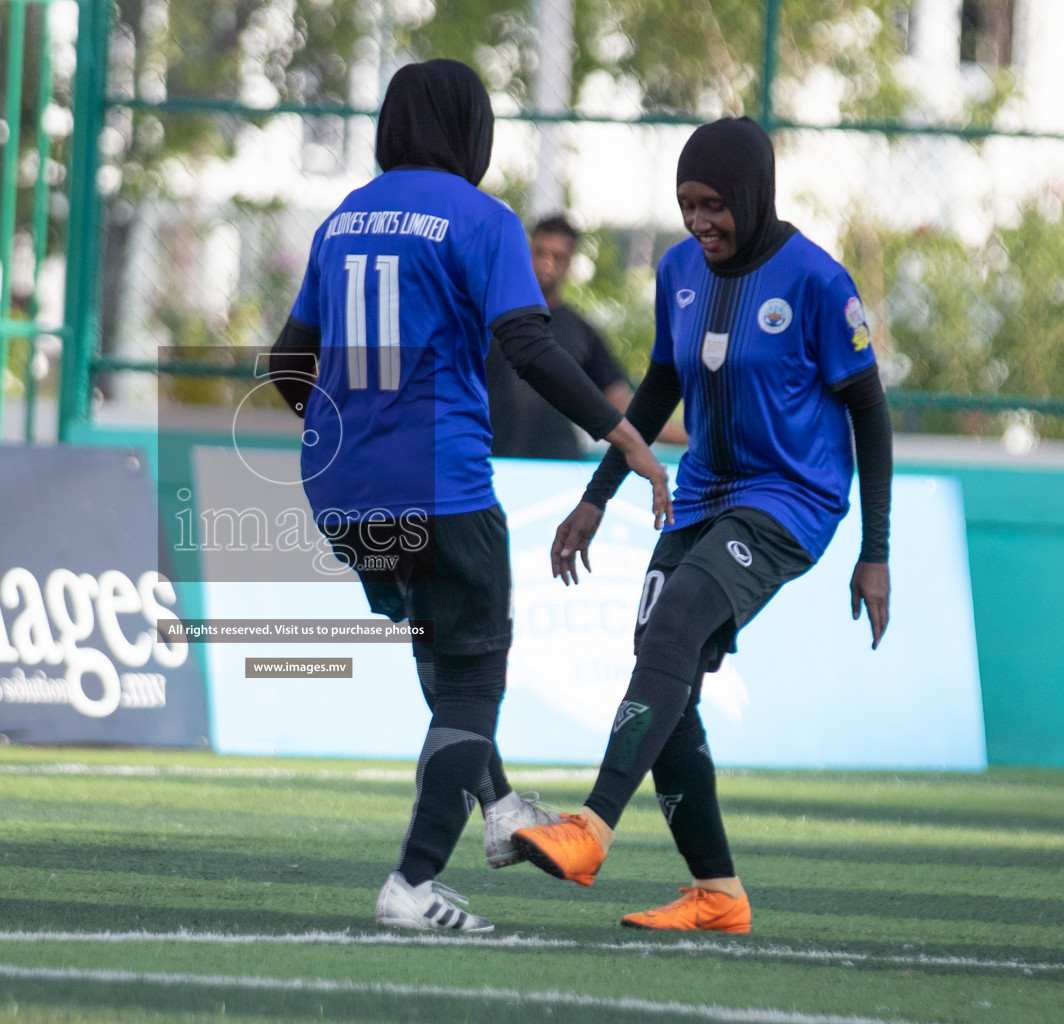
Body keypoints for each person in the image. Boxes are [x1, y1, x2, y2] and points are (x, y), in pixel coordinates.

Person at [268, 59, 672, 933]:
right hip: (439, 480)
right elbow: (528, 344)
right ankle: (411, 882)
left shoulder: (343, 217)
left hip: (339, 486)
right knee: (472, 678)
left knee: (439, 650)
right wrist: (623, 434)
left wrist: (348, 427)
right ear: (470, 130)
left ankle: (497, 807)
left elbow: (284, 363)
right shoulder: (482, 219)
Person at [511, 117, 893, 934]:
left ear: (753, 196)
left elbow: (870, 411)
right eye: (686, 204)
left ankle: (591, 828)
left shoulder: (819, 283)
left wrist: (876, 549)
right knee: (664, 666)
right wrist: (597, 494)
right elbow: (655, 390)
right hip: (704, 493)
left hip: (791, 499)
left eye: (714, 204)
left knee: (679, 617)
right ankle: (717, 893)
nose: (699, 222)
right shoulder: (680, 270)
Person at [486, 215, 686, 458]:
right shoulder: (490, 317)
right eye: (540, 252)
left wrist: (693, 440)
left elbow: (621, 403)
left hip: (557, 466)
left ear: (570, 262)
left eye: (558, 256)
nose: (546, 263)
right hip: (492, 459)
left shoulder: (581, 331)